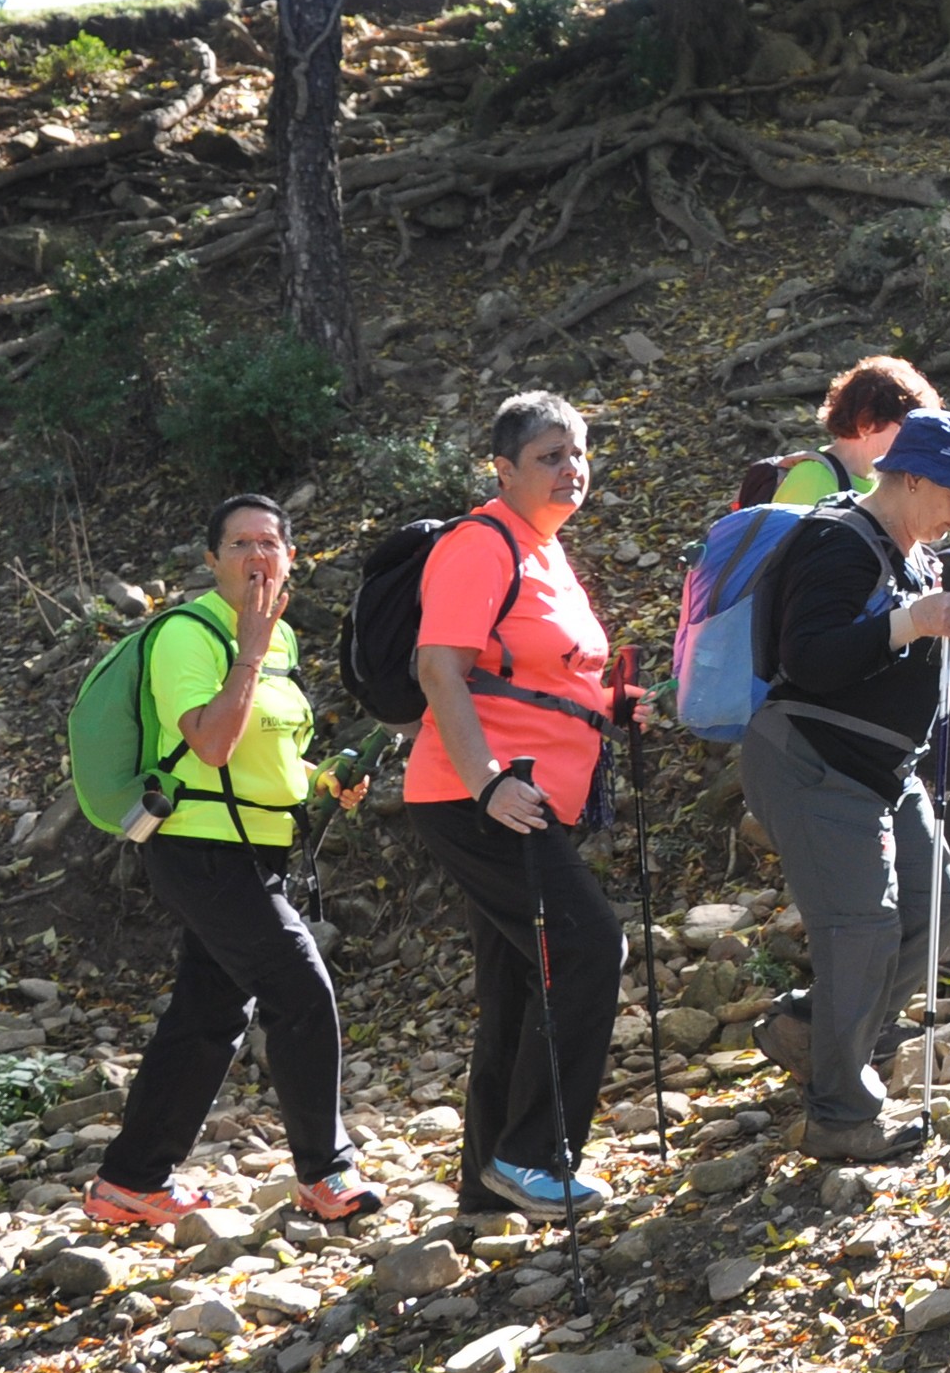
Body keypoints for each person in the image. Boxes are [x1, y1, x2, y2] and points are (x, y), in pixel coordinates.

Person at [85, 495, 388, 1229]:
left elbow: (271, 756)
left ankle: (130, 1179)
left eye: (270, 543)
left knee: (210, 1010)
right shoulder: (188, 635)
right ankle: (326, 1172)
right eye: (240, 544)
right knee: (300, 985)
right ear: (212, 559)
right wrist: (248, 650)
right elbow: (213, 745)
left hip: (259, 847)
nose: (257, 556)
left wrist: (323, 778)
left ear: (290, 557)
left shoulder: (278, 639)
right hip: (197, 846)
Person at [738, 411, 950, 1161]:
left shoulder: (914, 555)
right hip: (812, 764)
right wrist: (912, 622)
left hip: (882, 770)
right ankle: (840, 1115)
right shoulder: (836, 541)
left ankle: (812, 1031)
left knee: (937, 915)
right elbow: (811, 658)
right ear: (914, 477)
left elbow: (902, 655)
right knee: (861, 931)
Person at [405, 393, 632, 1219]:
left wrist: (611, 703)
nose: (571, 469)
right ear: (503, 469)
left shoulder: (546, 549)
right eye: (549, 456)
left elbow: (540, 669)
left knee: (515, 985)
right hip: (483, 797)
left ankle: (486, 1189)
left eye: (579, 453)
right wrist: (489, 781)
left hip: (526, 796)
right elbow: (439, 666)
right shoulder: (482, 542)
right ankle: (534, 1153)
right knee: (588, 947)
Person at [759, 355, 945, 507]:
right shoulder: (813, 480)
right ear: (866, 423)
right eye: (907, 428)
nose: (915, 441)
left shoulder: (883, 484)